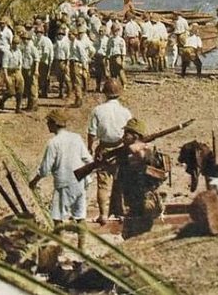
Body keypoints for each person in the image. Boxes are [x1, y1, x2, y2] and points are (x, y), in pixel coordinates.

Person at [29, 110, 92, 249]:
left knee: (57, 218)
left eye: (48, 122)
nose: (47, 125)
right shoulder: (76, 138)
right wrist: (87, 178)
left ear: (54, 124)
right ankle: (82, 249)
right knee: (80, 216)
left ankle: (59, 248)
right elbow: (88, 160)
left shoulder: (53, 143)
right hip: (80, 182)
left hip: (64, 183)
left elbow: (45, 169)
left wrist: (34, 181)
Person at [87, 79, 132, 224]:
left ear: (105, 93)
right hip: (121, 149)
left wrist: (90, 147)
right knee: (121, 182)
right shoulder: (125, 112)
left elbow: (92, 133)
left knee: (103, 184)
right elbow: (131, 133)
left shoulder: (97, 110)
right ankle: (120, 212)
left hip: (104, 148)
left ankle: (103, 215)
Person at [114, 118, 167, 238]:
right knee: (132, 234)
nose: (123, 137)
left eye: (126, 134)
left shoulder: (141, 151)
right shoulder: (130, 152)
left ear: (135, 135)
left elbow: (144, 159)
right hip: (134, 200)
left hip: (143, 200)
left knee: (138, 234)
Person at [0, 37, 25, 113]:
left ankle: (18, 108)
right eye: (15, 43)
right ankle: (3, 100)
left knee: (20, 90)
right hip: (9, 72)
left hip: (17, 71)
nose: (16, 45)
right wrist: (6, 77)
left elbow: (20, 63)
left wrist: (20, 73)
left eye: (18, 43)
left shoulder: (19, 52)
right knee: (11, 92)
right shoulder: (7, 53)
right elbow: (5, 66)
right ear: (12, 44)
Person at [69, 28, 92, 108]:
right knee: (74, 82)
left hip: (77, 64)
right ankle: (77, 98)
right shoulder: (71, 43)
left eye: (70, 34)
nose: (69, 36)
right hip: (72, 63)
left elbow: (83, 56)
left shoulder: (78, 44)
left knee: (77, 82)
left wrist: (84, 66)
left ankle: (79, 100)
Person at [20, 31, 40, 112]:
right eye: (24, 39)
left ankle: (34, 105)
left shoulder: (33, 48)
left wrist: (36, 70)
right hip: (24, 69)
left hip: (31, 70)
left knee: (33, 88)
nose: (25, 40)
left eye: (27, 39)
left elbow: (37, 60)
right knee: (27, 87)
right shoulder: (23, 47)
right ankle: (29, 105)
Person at [34, 24, 54, 98]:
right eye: (37, 32)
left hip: (44, 61)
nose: (38, 34)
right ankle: (41, 91)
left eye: (40, 32)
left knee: (44, 77)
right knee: (40, 78)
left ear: (42, 33)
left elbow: (46, 53)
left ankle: (44, 92)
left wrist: (40, 60)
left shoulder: (45, 40)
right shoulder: (36, 40)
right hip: (39, 61)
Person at [52, 27, 72, 99]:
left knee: (66, 78)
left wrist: (67, 64)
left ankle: (69, 92)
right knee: (59, 78)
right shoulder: (56, 42)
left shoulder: (65, 43)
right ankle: (61, 93)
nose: (60, 35)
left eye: (61, 34)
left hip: (63, 61)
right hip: (57, 61)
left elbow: (68, 54)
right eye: (59, 34)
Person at [107, 23, 128, 89]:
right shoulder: (110, 40)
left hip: (118, 56)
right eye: (114, 31)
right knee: (113, 72)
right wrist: (107, 58)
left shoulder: (121, 40)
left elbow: (123, 50)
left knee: (120, 71)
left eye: (116, 31)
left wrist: (123, 60)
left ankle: (124, 84)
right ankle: (114, 85)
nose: (115, 32)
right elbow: (108, 49)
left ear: (118, 31)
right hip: (111, 57)